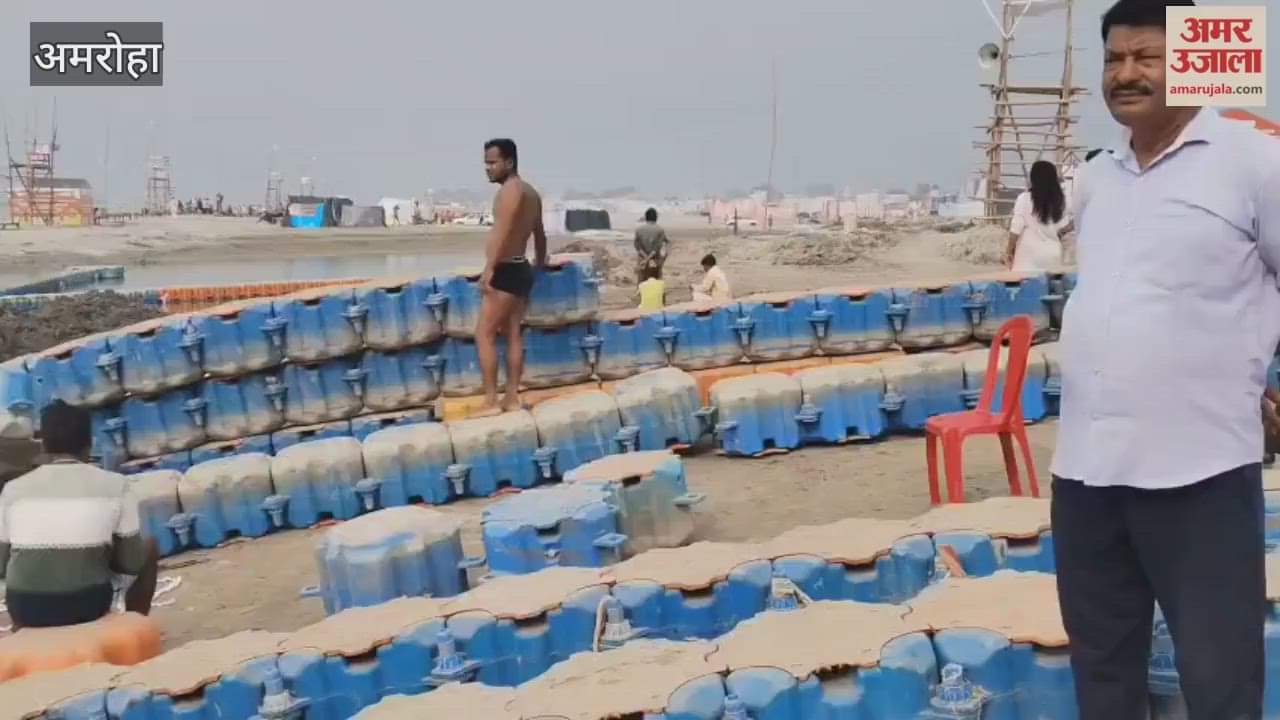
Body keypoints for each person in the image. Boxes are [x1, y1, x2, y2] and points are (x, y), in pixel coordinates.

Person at [1052, 1, 1280, 718]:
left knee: (1219, 678)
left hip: (1200, 474)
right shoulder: (1098, 177)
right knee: (1103, 671)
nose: (1127, 74)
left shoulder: (1254, 162)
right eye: (1115, 60)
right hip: (1087, 475)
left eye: (1147, 57)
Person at [0, 401, 158, 628]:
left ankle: (25, 628)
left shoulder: (13, 490)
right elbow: (131, 563)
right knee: (149, 547)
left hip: (24, 608)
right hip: (88, 605)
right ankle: (134, 625)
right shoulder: (116, 486)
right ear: (89, 444)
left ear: (43, 446)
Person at [473, 138, 547, 416]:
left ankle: (491, 401)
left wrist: (490, 269)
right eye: (486, 163)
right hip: (521, 268)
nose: (488, 168)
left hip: (504, 269)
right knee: (514, 333)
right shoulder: (531, 192)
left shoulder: (510, 191)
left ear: (509, 162)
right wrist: (539, 265)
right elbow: (540, 235)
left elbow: (502, 232)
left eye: (492, 163)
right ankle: (512, 398)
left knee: (484, 333)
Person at [1005, 160, 1072, 271]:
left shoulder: (1024, 198)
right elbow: (1063, 228)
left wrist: (1008, 252)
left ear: (1033, 178)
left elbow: (1016, 229)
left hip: (1028, 257)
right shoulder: (1061, 201)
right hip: (1052, 255)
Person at [634, 207, 670, 283]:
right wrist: (664, 257)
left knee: (641, 282)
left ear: (646, 217)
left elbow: (637, 246)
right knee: (657, 281)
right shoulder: (660, 230)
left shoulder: (638, 230)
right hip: (655, 260)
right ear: (656, 218)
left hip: (642, 260)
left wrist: (645, 257)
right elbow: (658, 247)